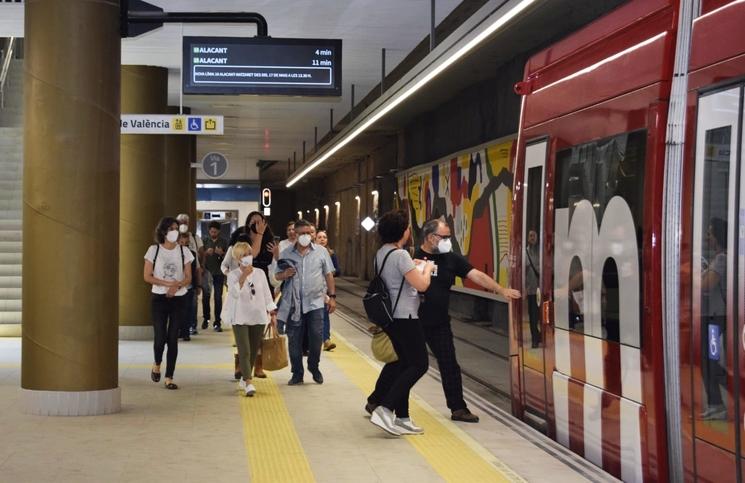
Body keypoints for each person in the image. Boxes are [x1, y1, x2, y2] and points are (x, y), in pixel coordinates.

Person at [408, 217, 521, 423]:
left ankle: (458, 408)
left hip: (439, 322)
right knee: (407, 365)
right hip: (411, 321)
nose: (448, 241)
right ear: (431, 237)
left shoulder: (451, 259)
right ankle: (379, 401)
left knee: (449, 364)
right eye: (445, 237)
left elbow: (476, 275)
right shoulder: (410, 256)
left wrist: (500, 289)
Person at [367, 209, 435, 436]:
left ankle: (403, 417)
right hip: (406, 317)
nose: (408, 231)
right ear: (402, 232)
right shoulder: (401, 255)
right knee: (419, 365)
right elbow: (422, 285)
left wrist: (413, 266)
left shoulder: (382, 253)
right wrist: (427, 269)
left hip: (391, 319)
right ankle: (385, 408)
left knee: (405, 365)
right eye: (406, 228)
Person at [275, 219, 337, 385]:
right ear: (295, 234)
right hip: (294, 305)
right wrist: (285, 274)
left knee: (316, 337)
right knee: (294, 339)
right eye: (301, 233)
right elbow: (277, 275)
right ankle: (297, 373)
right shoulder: (286, 253)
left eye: (308, 233)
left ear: (312, 234)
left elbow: (329, 274)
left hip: (315, 303)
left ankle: (313, 366)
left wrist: (332, 297)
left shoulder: (321, 252)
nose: (305, 236)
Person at [143, 216, 194, 390]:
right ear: (164, 231)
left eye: (176, 228)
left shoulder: (184, 251)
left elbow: (188, 277)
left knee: (173, 338)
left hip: (179, 299)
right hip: (159, 299)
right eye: (172, 228)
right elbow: (147, 276)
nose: (175, 231)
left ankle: (169, 377)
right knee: (160, 337)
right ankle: (157, 363)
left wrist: (177, 286)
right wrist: (167, 285)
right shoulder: (153, 250)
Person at [222, 242, 277, 397]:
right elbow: (234, 294)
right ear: (238, 259)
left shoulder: (260, 273)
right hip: (239, 317)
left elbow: (266, 293)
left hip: (258, 316)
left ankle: (246, 377)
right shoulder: (233, 275)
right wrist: (243, 276)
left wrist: (272, 312)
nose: (248, 257)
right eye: (244, 255)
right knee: (244, 350)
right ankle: (248, 381)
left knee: (253, 350)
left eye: (249, 254)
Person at [700, 217, 728, 420]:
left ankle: (718, 404)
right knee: (709, 359)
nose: (707, 237)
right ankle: (715, 403)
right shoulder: (718, 257)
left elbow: (705, 285)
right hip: (713, 317)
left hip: (716, 319)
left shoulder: (721, 259)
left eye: (710, 233)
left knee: (710, 359)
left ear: (717, 235)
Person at [177, 213, 204, 335]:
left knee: (191, 307)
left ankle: (189, 328)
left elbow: (197, 265)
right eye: (181, 222)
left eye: (185, 222)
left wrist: (198, 284)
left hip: (190, 283)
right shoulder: (172, 247)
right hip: (177, 284)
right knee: (179, 308)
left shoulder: (194, 241)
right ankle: (180, 330)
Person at [202, 221, 228, 332]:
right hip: (207, 272)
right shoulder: (204, 241)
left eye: (215, 231)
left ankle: (217, 322)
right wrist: (206, 253)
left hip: (219, 273)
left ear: (219, 231)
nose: (213, 233)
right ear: (209, 231)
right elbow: (200, 256)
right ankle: (206, 319)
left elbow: (228, 257)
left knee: (218, 298)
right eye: (211, 231)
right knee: (206, 297)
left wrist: (221, 253)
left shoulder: (224, 241)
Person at [316, 230, 340, 351]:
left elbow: (337, 271)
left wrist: (328, 272)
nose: (322, 239)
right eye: (319, 237)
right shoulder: (311, 253)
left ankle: (326, 340)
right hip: (314, 289)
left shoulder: (331, 254)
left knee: (324, 314)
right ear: (315, 239)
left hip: (325, 288)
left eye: (324, 237)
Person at [525, 229, 541, 348]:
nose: (531, 238)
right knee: (533, 316)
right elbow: (524, 272)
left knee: (541, 315)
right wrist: (524, 288)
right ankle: (535, 339)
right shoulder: (525, 252)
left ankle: (540, 336)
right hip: (532, 290)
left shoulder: (542, 251)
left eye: (533, 236)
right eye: (530, 236)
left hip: (542, 289)